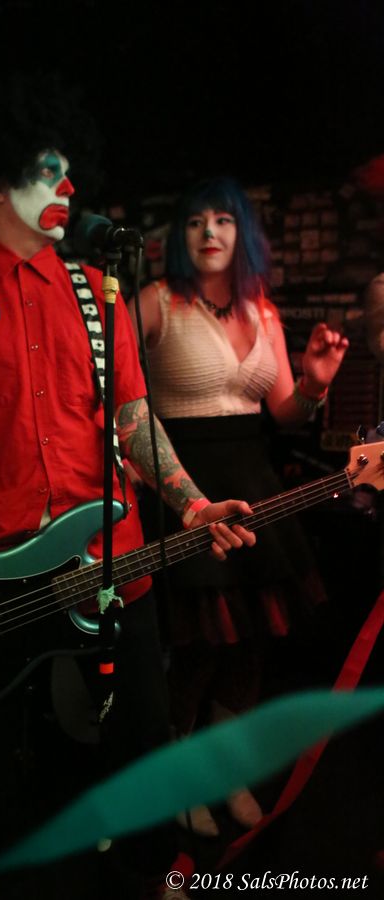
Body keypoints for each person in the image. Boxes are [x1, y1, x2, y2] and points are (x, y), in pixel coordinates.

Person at [0, 86, 257, 899]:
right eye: (48, 171)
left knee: (142, 726)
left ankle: (151, 864)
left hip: (107, 556)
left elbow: (134, 418)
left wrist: (192, 503)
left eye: (72, 173)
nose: (68, 188)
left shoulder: (97, 293)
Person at [128, 175, 349, 839]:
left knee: (250, 644)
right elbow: (112, 399)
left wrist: (313, 385)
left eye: (223, 220)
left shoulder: (265, 311)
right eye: (196, 221)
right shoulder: (155, 301)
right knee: (199, 646)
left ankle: (226, 773)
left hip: (255, 486)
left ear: (242, 232)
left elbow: (284, 413)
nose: (209, 232)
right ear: (180, 235)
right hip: (185, 486)